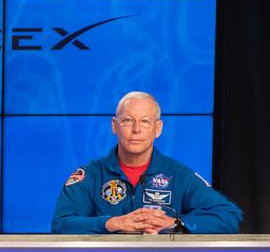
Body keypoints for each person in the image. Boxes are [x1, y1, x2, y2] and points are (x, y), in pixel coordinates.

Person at [52, 91, 240, 234]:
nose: (136, 130)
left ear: (157, 128)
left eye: (144, 121)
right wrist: (111, 223)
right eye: (127, 120)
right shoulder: (90, 175)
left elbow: (229, 216)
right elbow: (61, 224)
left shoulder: (178, 175)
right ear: (114, 125)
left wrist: (176, 224)